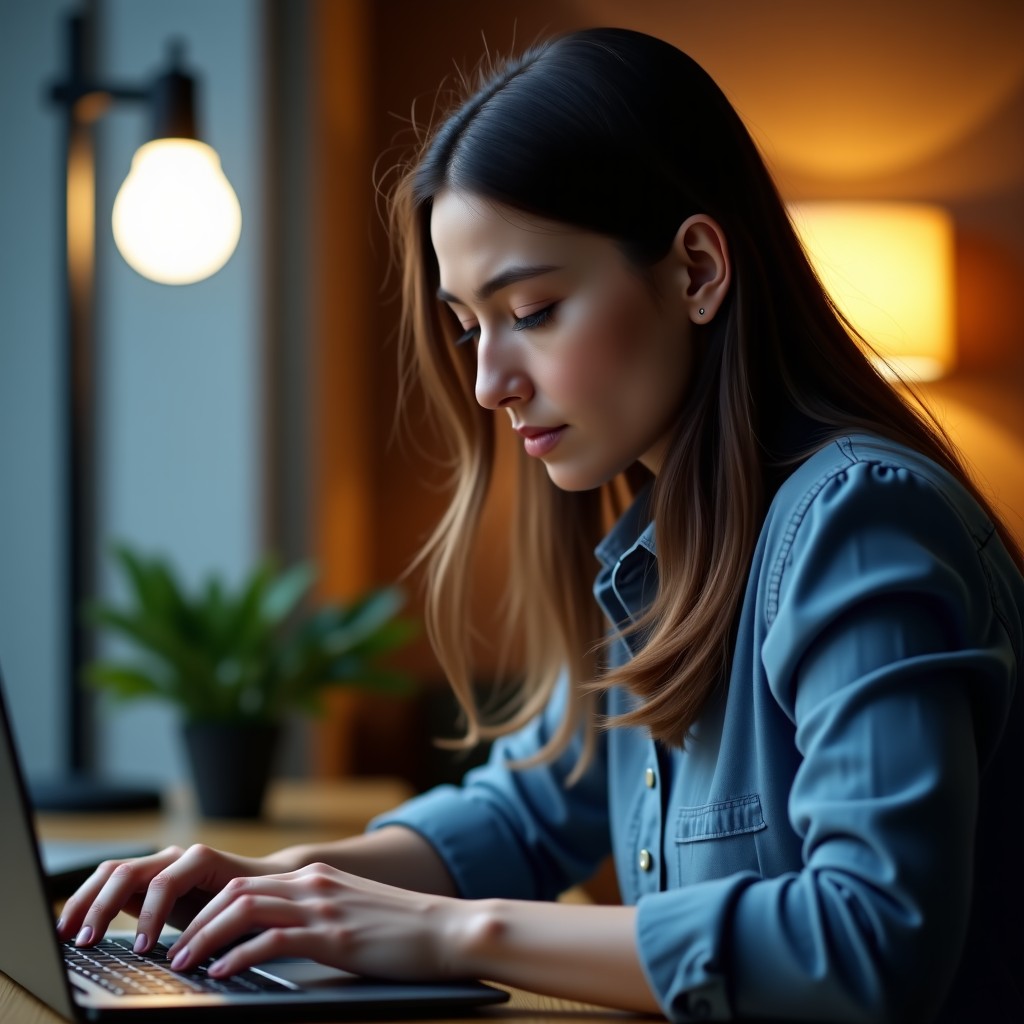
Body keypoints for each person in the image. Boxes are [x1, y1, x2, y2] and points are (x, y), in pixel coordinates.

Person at [57, 26, 1024, 1023]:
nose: (487, 381)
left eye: (531, 309)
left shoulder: (858, 523)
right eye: (469, 325)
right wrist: (285, 881)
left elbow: (867, 939)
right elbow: (519, 812)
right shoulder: (658, 552)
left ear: (695, 270)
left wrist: (446, 932)